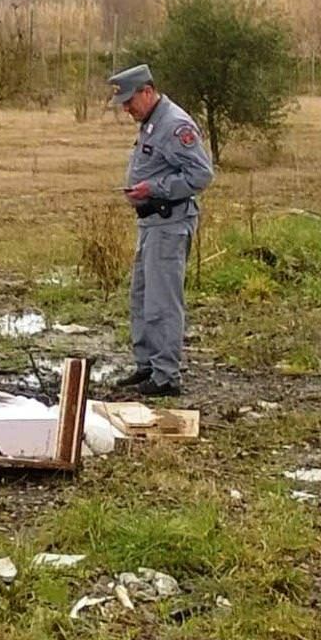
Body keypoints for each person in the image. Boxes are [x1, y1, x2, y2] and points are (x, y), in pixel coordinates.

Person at [106, 64, 214, 397]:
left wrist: (154, 188)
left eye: (130, 101)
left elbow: (201, 176)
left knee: (162, 302)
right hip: (151, 224)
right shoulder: (152, 122)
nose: (126, 109)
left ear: (148, 91)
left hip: (170, 224)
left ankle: (166, 376)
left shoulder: (175, 124)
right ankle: (148, 366)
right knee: (141, 297)